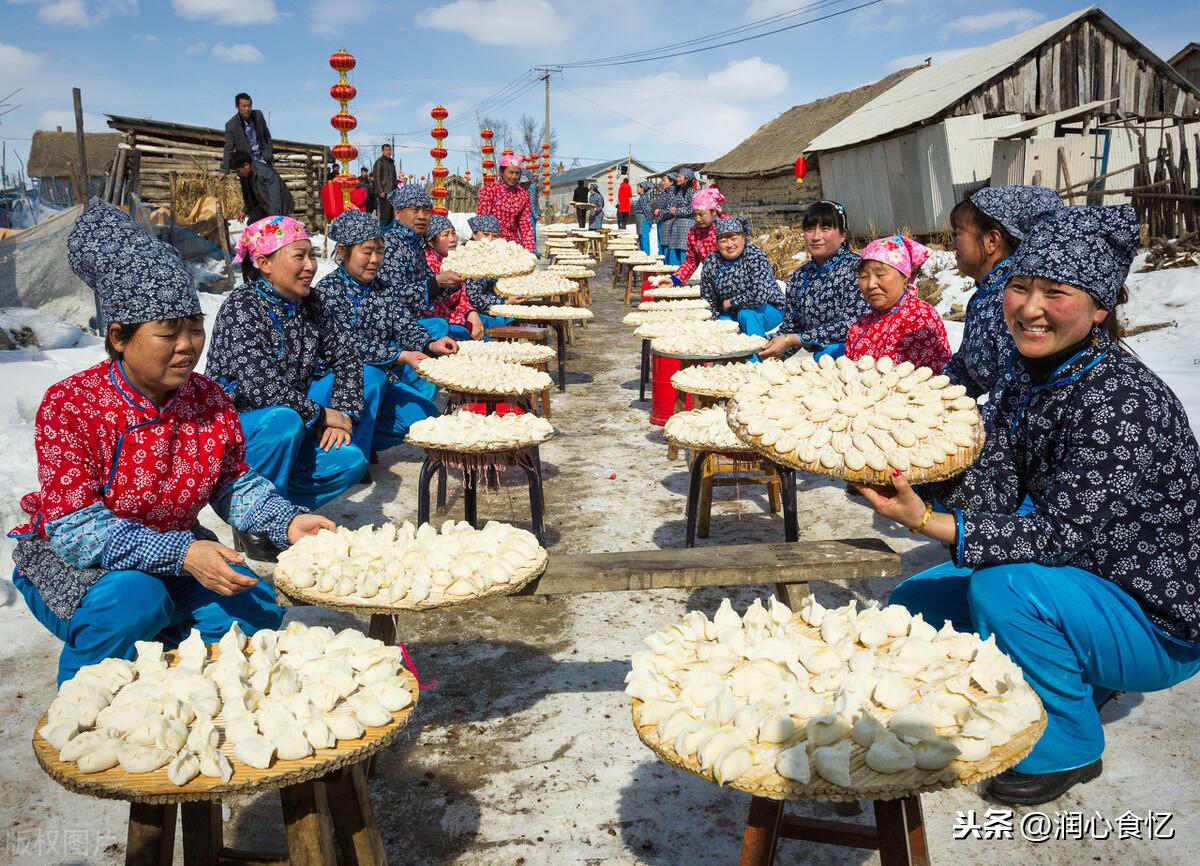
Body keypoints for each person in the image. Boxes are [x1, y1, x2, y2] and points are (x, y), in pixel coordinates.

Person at [855, 204, 1200, 805]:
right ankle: (1066, 670)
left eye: (1055, 293)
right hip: (1084, 584)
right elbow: (992, 485)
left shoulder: (1120, 401)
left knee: (1004, 590)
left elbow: (1062, 536)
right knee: (914, 605)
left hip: (1156, 620)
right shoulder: (1028, 371)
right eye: (1020, 286)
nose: (1029, 307)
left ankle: (1068, 746)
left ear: (1100, 309)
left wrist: (927, 521)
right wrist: (908, 471)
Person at [10, 199, 332, 685]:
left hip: (171, 554)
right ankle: (79, 710)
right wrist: (183, 554)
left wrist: (288, 523)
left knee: (255, 610)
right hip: (80, 565)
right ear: (118, 336)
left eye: (194, 328)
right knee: (135, 601)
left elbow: (233, 485)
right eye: (168, 333)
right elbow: (77, 531)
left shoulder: (207, 398)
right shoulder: (73, 404)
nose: (188, 346)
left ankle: (167, 640)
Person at [206, 216, 369, 532]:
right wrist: (321, 415)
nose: (310, 266)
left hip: (291, 424)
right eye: (299, 257)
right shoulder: (243, 306)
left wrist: (345, 414)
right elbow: (260, 387)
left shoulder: (310, 304)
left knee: (350, 460)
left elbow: (347, 357)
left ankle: (283, 512)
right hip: (239, 432)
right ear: (265, 263)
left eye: (311, 256)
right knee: (284, 421)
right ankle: (252, 517)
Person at [313, 209, 443, 456]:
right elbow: (347, 344)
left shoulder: (381, 288)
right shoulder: (327, 292)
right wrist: (399, 356)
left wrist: (430, 344)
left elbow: (403, 324)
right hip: (335, 383)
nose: (375, 259)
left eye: (379, 251)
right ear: (343, 252)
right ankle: (351, 455)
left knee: (427, 418)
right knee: (371, 376)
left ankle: (364, 436)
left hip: (381, 382)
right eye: (367, 251)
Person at [943, 185, 1062, 408]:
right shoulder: (985, 295)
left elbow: (1015, 395)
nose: (952, 244)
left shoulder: (1014, 302)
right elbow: (967, 367)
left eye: (958, 233)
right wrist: (932, 395)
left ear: (991, 241)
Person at [760, 200, 870, 361]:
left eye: (825, 229)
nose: (816, 237)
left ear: (843, 235)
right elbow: (792, 326)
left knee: (825, 354)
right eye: (810, 229)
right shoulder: (799, 277)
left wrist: (792, 340)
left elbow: (852, 324)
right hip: (821, 356)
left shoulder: (857, 269)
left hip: (854, 352)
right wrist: (765, 348)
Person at [844, 234, 951, 372]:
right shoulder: (860, 326)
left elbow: (893, 374)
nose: (871, 284)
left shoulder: (920, 317)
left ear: (905, 276)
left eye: (880, 275)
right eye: (863, 276)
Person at [377, 184, 465, 344]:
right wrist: (436, 282)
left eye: (426, 211)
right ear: (397, 213)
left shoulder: (416, 244)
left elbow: (431, 285)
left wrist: (454, 280)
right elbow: (391, 295)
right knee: (440, 326)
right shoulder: (390, 245)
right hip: (393, 325)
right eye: (415, 210)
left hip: (415, 320)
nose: (422, 216)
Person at [699, 216, 784, 337]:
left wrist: (731, 302)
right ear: (717, 243)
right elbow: (708, 298)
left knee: (746, 315)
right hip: (732, 312)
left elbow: (760, 295)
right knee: (721, 325)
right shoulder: (712, 261)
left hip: (767, 308)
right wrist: (711, 318)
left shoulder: (756, 256)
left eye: (734, 238)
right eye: (723, 241)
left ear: (743, 238)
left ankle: (756, 352)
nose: (729, 244)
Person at [424, 215, 484, 341]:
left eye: (453, 233)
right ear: (431, 242)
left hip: (456, 315)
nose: (452, 239)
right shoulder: (428, 264)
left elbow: (463, 295)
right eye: (445, 235)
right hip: (439, 320)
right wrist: (464, 319)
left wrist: (470, 312)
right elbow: (434, 306)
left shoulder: (453, 260)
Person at [654, 186, 722, 289]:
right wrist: (674, 280)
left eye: (701, 214)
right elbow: (691, 261)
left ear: (713, 212)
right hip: (712, 283)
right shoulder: (694, 233)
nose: (698, 219)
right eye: (695, 215)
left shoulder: (727, 228)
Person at [463, 215, 515, 330]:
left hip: (491, 305)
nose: (490, 239)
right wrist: (504, 301)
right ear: (474, 235)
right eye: (486, 234)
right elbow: (474, 298)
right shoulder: (469, 258)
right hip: (474, 312)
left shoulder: (493, 255)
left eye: (495, 236)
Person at [476, 154, 534, 251]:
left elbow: (525, 224)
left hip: (512, 245)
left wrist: (529, 249)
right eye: (510, 172)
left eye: (517, 173)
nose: (514, 176)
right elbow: (482, 221)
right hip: (491, 244)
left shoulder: (523, 195)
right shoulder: (490, 191)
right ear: (501, 172)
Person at [231, 151, 294, 223]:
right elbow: (251, 196)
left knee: (276, 229)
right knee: (252, 223)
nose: (238, 174)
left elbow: (275, 197)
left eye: (238, 171)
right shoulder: (247, 175)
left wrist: (274, 218)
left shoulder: (265, 173)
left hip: (281, 206)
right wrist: (245, 211)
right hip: (264, 206)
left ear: (246, 165)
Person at [221, 92, 273, 175]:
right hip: (246, 166)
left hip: (263, 162)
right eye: (244, 106)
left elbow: (267, 136)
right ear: (237, 107)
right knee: (249, 188)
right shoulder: (231, 125)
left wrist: (269, 153)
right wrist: (224, 170)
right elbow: (228, 149)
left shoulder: (258, 115)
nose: (247, 109)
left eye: (249, 106)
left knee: (268, 186)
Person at [664, 168, 697, 266]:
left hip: (686, 225)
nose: (677, 178)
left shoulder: (692, 192)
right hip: (676, 224)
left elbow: (693, 208)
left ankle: (683, 275)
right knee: (673, 250)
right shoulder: (678, 191)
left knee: (683, 250)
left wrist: (677, 211)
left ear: (686, 179)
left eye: (679, 177)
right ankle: (673, 274)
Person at [372, 144, 398, 226]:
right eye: (386, 150)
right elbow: (377, 177)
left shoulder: (391, 163)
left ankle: (390, 232)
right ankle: (383, 233)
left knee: (392, 213)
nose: (388, 152)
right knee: (385, 214)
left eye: (389, 150)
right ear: (383, 151)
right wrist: (380, 191)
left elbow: (394, 178)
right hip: (384, 192)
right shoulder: (379, 162)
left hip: (392, 192)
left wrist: (396, 190)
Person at [654, 175, 676, 263]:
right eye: (662, 180)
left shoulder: (673, 193)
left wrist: (660, 212)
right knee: (662, 246)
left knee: (667, 247)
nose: (662, 182)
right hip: (661, 222)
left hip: (668, 222)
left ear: (672, 182)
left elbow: (671, 209)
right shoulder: (665, 193)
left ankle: (668, 269)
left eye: (664, 180)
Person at [520, 170, 541, 249]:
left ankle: (532, 249)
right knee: (532, 233)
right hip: (531, 214)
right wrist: (535, 214)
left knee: (530, 232)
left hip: (529, 213)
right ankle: (533, 250)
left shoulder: (529, 189)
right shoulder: (532, 189)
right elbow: (532, 202)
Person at [633, 180, 654, 254]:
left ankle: (646, 255)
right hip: (641, 221)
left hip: (643, 221)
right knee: (641, 239)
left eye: (638, 187)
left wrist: (649, 220)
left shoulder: (644, 198)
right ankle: (644, 255)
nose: (637, 189)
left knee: (644, 239)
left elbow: (647, 210)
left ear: (643, 189)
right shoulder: (642, 197)